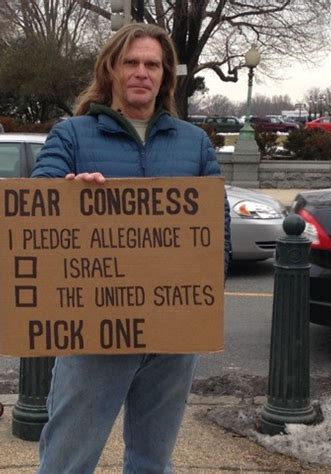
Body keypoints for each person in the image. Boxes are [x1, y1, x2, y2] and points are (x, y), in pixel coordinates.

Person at [31, 23, 231, 474]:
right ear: (112, 70)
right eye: (132, 62)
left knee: (152, 460)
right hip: (94, 331)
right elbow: (35, 202)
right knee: (67, 458)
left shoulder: (194, 143)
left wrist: (204, 297)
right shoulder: (73, 135)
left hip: (174, 332)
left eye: (152, 64)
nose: (142, 72)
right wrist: (69, 192)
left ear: (165, 76)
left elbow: (216, 227)